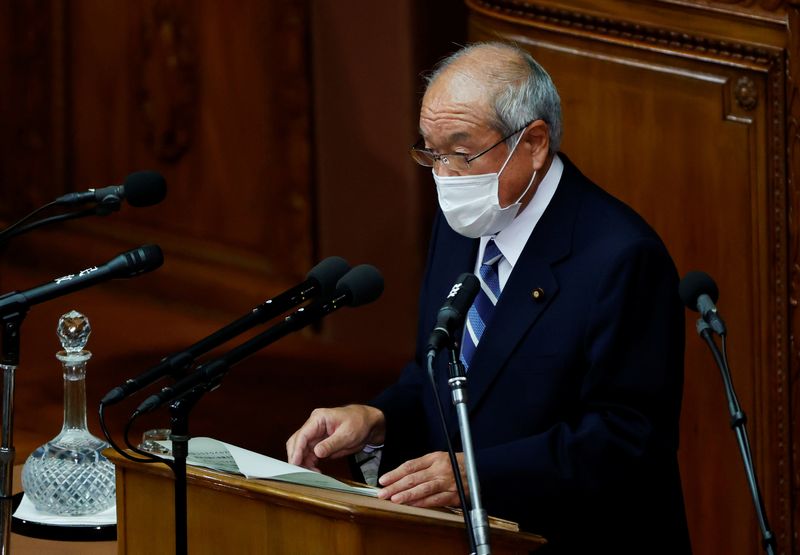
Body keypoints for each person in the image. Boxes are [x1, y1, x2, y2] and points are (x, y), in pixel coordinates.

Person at [287, 41, 691, 553]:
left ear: (535, 142)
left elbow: (626, 441)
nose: (445, 175)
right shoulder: (461, 226)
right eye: (430, 152)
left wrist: (476, 475)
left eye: (460, 151)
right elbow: (437, 371)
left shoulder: (621, 257)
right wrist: (376, 421)